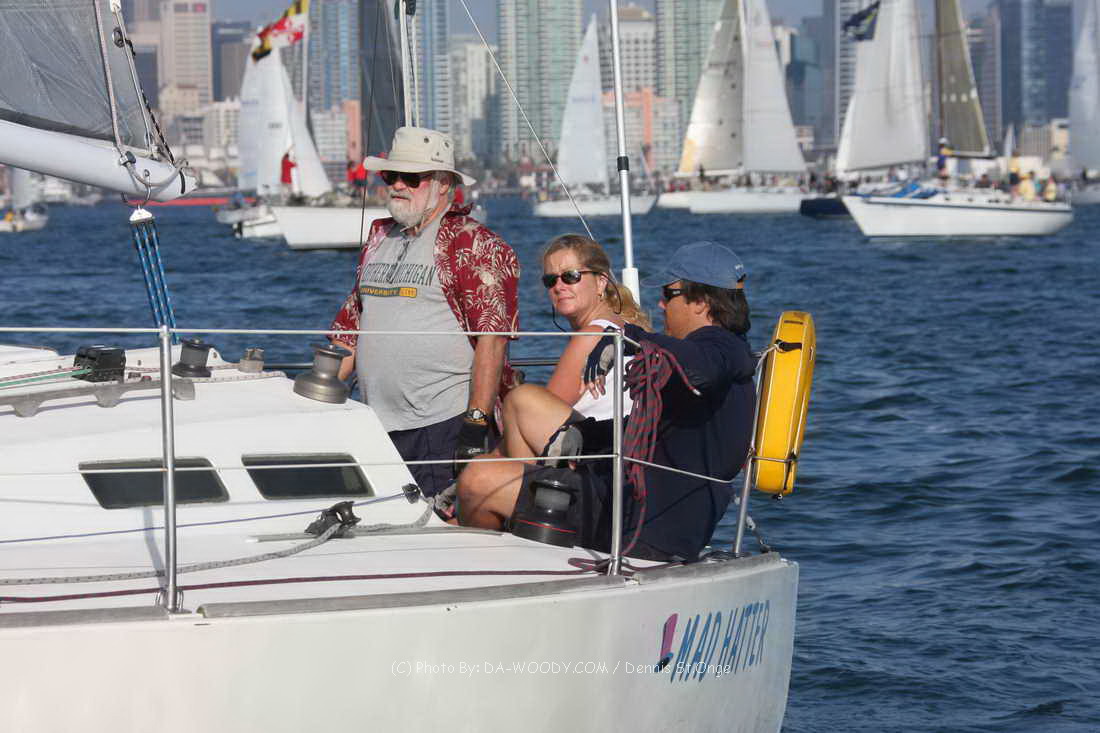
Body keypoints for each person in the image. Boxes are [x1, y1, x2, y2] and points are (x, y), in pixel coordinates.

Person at [458, 241, 756, 562]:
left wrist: (630, 337)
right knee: (503, 440)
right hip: (629, 503)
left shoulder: (721, 350)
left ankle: (491, 569)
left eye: (669, 294)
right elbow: (657, 431)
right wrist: (586, 435)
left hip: (640, 524)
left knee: (479, 480)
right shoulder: (727, 355)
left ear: (701, 302)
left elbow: (703, 367)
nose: (660, 304)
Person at [329, 126, 520, 497]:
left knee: (440, 522)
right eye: (391, 176)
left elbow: (493, 338)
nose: (398, 185)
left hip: (441, 423)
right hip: (376, 423)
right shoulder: (380, 237)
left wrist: (475, 425)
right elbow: (350, 327)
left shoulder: (473, 243)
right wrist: (319, 393)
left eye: (412, 178)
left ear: (443, 183)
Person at [487, 234, 650, 464]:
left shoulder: (592, 335)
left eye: (570, 276)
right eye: (550, 280)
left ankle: (519, 483)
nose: (559, 287)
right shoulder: (622, 326)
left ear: (601, 282)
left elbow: (534, 415)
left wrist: (490, 459)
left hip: (596, 455)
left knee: (519, 401)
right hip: (620, 448)